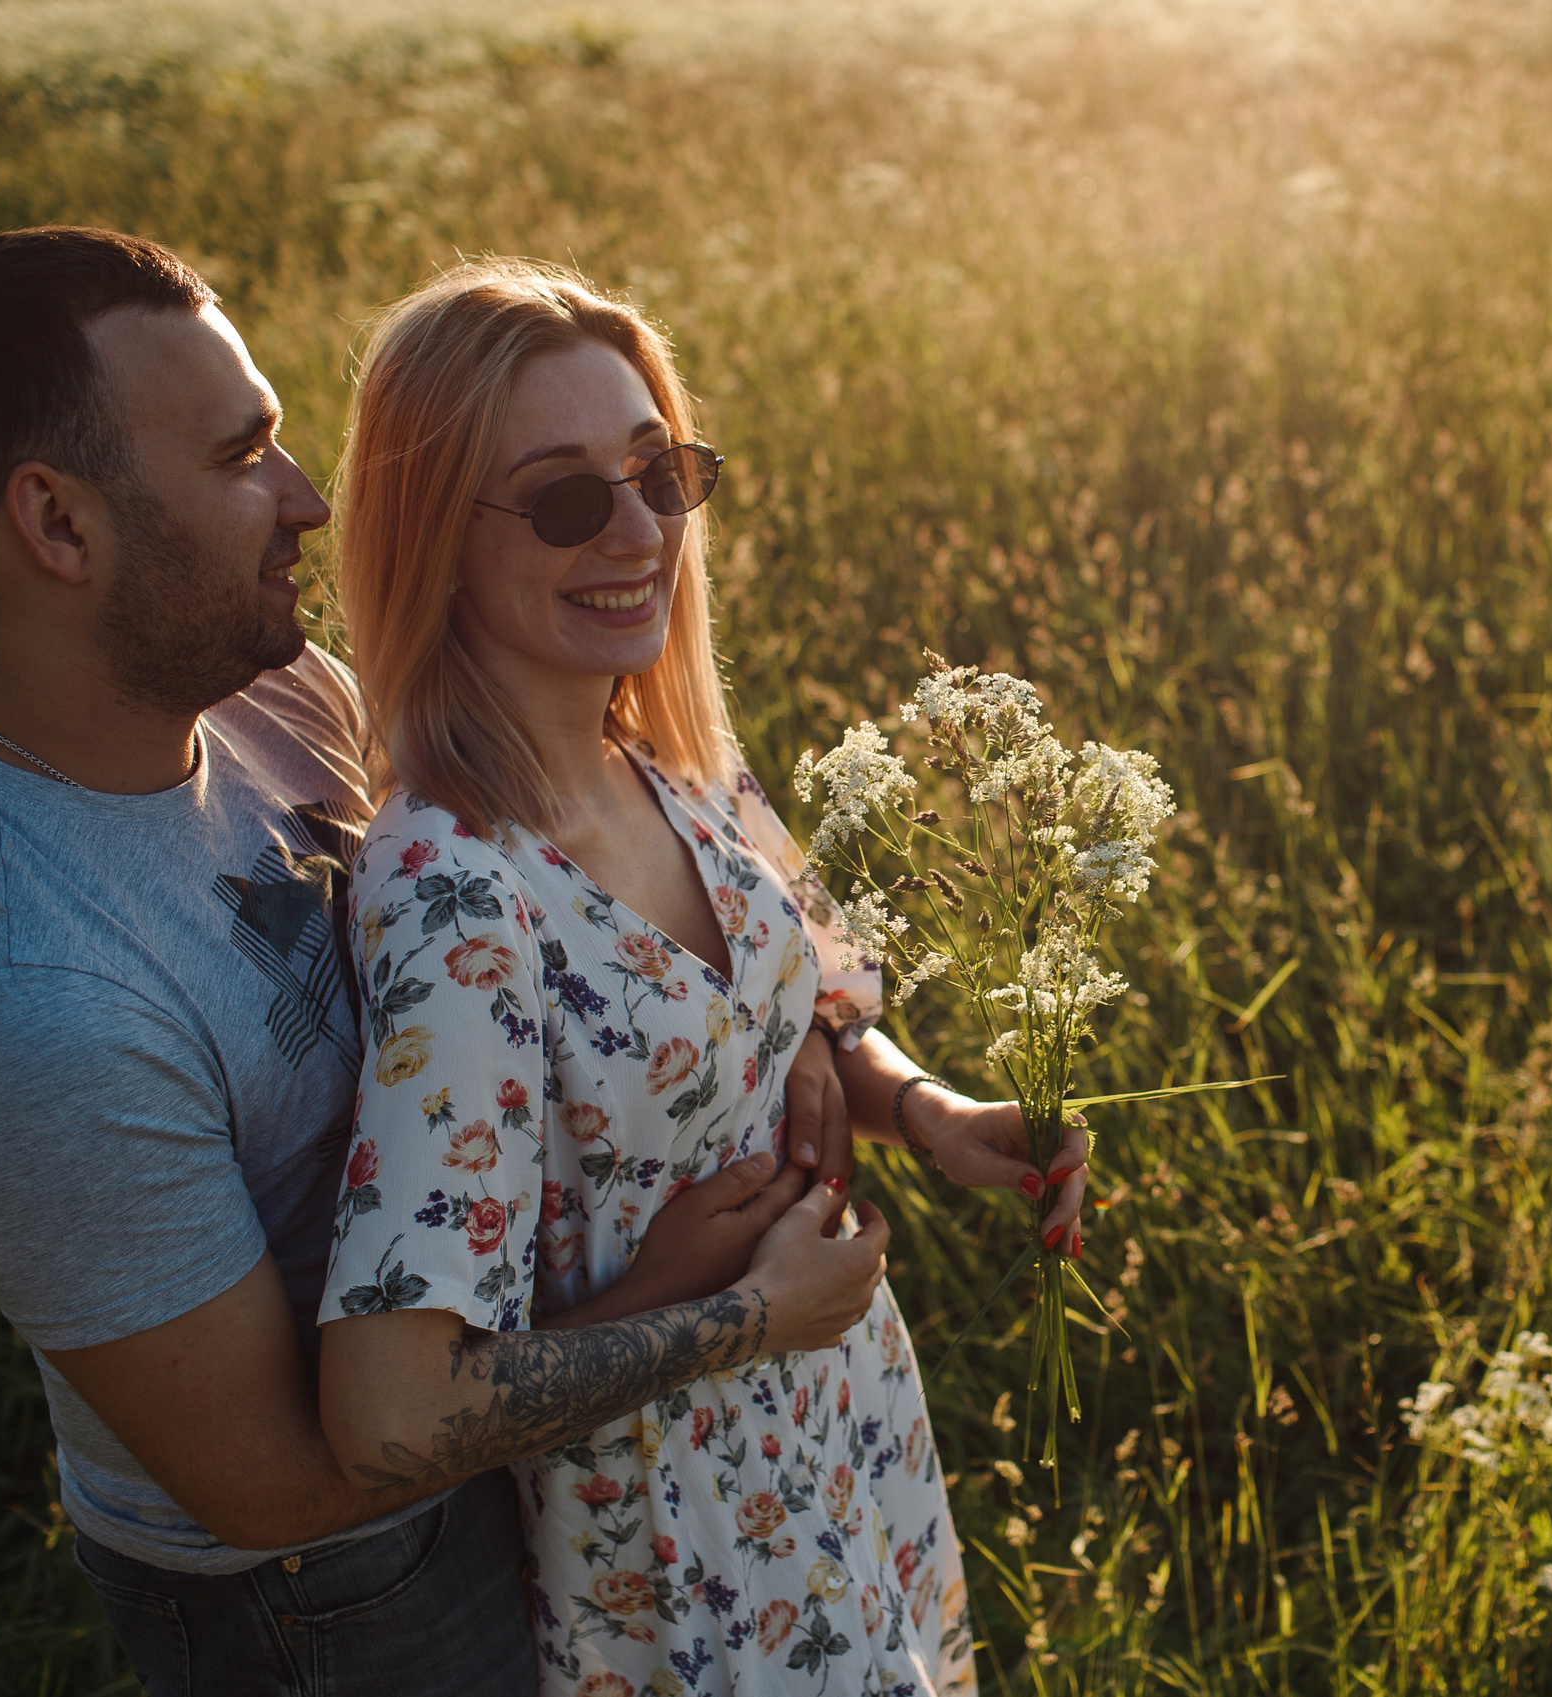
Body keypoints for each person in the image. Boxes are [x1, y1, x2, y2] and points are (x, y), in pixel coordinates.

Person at [0, 226, 892, 1697]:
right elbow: (275, 1480)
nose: (312, 498)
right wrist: (699, 1314)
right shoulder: (19, 1002)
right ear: (56, 527)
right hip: (333, 1595)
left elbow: (539, 916)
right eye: (240, 455)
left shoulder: (257, 684)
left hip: (531, 1421)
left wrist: (798, 1041)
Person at [314, 258, 1092, 1696]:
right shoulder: (459, 899)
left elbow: (796, 1018)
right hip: (682, 1559)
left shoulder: (668, 753)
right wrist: (735, 1316)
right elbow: (386, 1412)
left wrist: (932, 1114)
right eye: (563, 499)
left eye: (658, 473)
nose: (637, 531)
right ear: (435, 537)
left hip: (840, 1450)